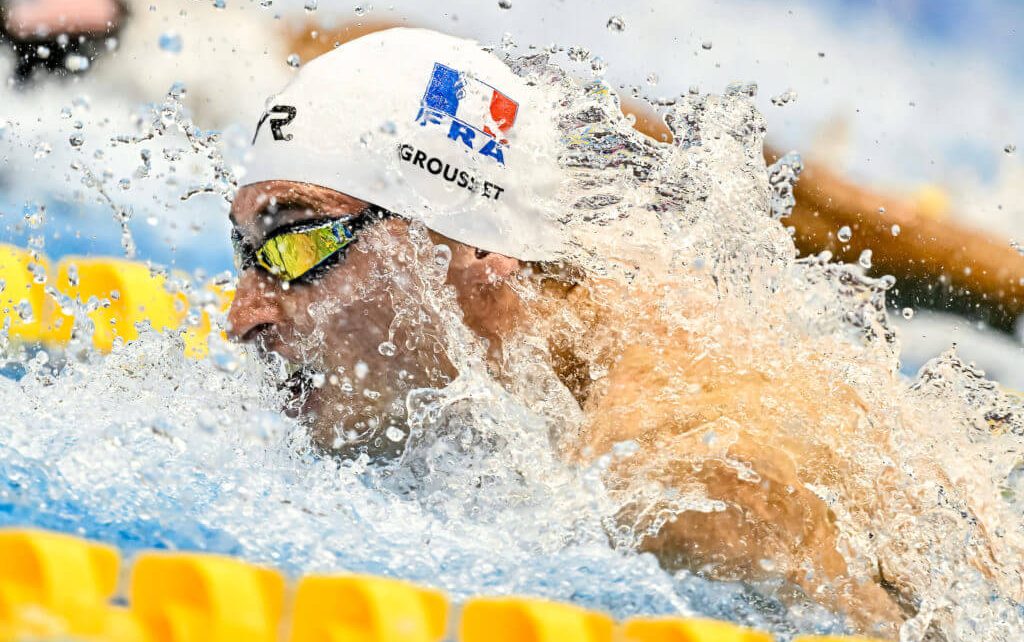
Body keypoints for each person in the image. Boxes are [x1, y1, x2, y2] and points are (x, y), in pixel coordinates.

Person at [227, 28, 903, 636]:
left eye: (296, 243)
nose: (242, 317)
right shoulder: (498, 405)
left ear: (478, 246)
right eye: (244, 252)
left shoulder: (682, 479)